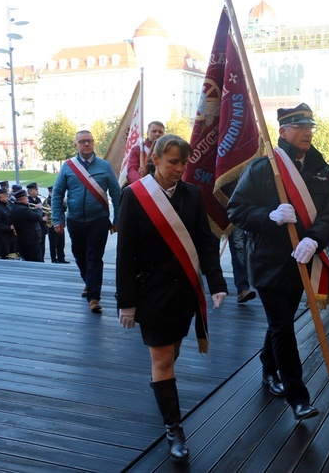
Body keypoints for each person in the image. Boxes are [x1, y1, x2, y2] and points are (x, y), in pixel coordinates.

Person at [116, 134, 228, 463]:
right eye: (172, 162)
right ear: (155, 159)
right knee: (163, 360)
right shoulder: (134, 196)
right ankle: (174, 429)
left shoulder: (193, 195)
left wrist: (216, 282)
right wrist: (127, 301)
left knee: (172, 353)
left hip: (183, 293)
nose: (179, 169)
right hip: (151, 294)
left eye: (183, 162)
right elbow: (125, 254)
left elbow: (206, 242)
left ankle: (161, 390)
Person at [227, 103, 329, 420]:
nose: (307, 131)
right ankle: (298, 397)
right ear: (283, 131)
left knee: (282, 323)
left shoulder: (320, 168)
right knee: (283, 326)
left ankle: (267, 367)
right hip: (269, 262)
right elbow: (237, 210)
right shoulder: (264, 168)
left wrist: (313, 239)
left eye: (310, 126)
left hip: (303, 258)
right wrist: (270, 216)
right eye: (300, 126)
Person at [52, 130, 121, 313]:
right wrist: (58, 218)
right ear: (76, 145)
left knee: (94, 258)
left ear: (94, 143)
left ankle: (94, 297)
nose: (86, 144)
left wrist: (117, 219)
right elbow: (58, 194)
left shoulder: (105, 167)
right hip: (74, 220)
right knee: (79, 255)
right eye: (82, 141)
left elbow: (116, 194)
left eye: (89, 140)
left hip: (98, 220)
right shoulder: (68, 167)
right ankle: (89, 282)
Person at [125, 121, 166, 186]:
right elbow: (131, 170)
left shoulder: (167, 151)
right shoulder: (137, 150)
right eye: (154, 131)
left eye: (160, 132)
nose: (157, 134)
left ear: (164, 134)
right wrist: (143, 182)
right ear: (148, 133)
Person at [10, 189, 44, 262]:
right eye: (27, 198)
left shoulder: (15, 208)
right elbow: (37, 217)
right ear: (22, 199)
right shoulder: (24, 209)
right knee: (36, 259)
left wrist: (33, 210)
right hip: (31, 240)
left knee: (27, 259)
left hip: (22, 239)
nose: (28, 200)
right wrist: (39, 209)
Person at [229, 226, 256, 303]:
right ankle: (215, 287)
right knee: (212, 247)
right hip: (213, 216)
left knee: (238, 246)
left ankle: (242, 289)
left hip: (233, 217)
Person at [0, 188, 16, 259]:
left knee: (12, 255)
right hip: (2, 238)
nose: (8, 198)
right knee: (5, 256)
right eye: (6, 196)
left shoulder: (6, 206)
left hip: (9, 236)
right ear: (0, 197)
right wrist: (8, 227)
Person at [45, 186, 69, 263]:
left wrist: (64, 204)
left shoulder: (59, 200)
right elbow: (46, 211)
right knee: (53, 243)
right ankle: (54, 258)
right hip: (52, 224)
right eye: (51, 192)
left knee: (61, 243)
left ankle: (61, 257)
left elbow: (64, 210)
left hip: (61, 222)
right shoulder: (47, 201)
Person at [26, 182, 48, 261]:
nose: (38, 191)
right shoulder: (28, 201)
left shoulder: (38, 199)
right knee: (37, 247)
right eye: (36, 190)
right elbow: (31, 215)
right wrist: (42, 218)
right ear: (30, 191)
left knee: (42, 246)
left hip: (41, 227)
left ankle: (42, 259)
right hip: (34, 228)